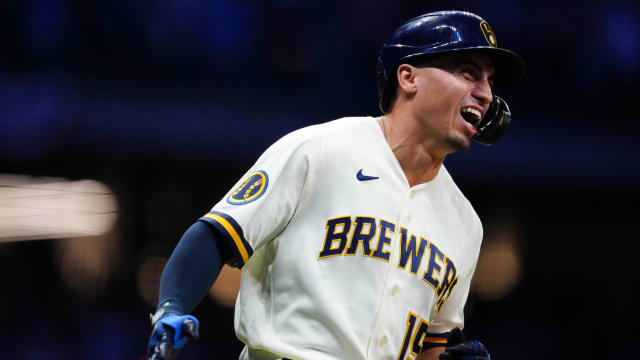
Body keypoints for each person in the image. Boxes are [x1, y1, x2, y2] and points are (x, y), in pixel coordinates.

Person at [147, 10, 525, 360]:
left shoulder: (465, 224)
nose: (486, 94)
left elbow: (432, 343)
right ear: (408, 77)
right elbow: (218, 233)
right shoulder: (321, 149)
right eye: (467, 72)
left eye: (489, 82)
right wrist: (172, 305)